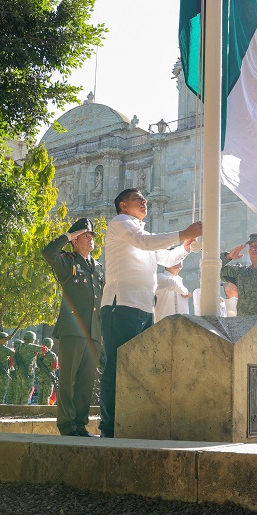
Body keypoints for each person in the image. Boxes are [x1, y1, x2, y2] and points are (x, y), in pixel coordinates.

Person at [99, 188, 201, 438]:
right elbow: (145, 242)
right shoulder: (120, 223)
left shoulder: (140, 231)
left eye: (144, 198)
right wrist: (183, 233)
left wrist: (186, 246)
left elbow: (166, 258)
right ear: (123, 205)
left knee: (138, 366)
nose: (144, 201)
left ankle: (130, 422)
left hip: (145, 308)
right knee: (117, 366)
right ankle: (109, 427)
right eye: (138, 198)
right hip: (121, 305)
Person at [42, 217, 105, 434]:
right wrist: (68, 236)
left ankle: (80, 424)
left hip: (93, 331)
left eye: (91, 235)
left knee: (86, 381)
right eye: (84, 235)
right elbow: (48, 252)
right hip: (73, 330)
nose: (90, 238)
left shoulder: (99, 268)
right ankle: (67, 424)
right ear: (75, 240)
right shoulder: (67, 262)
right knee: (68, 379)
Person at [9, 331, 39, 405]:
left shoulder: (19, 347)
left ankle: (17, 407)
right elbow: (44, 350)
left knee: (19, 390)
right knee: (27, 390)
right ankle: (23, 407)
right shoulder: (31, 346)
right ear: (32, 339)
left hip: (19, 371)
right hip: (28, 372)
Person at [35, 338, 59, 406]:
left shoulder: (38, 354)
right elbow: (55, 366)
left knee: (40, 393)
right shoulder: (52, 355)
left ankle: (38, 407)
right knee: (47, 394)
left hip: (40, 376)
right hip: (48, 376)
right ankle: (45, 408)